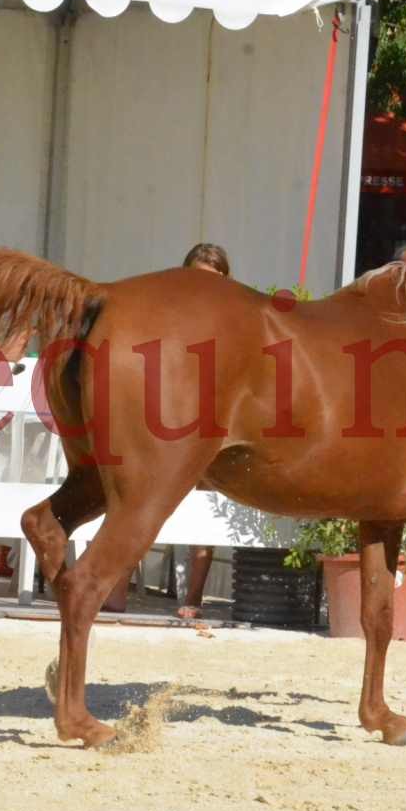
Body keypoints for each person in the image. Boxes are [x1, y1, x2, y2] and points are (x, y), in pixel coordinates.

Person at [171, 242, 232, 619]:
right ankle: (116, 589)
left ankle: (194, 596)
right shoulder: (170, 313)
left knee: (206, 507)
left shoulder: (232, 318)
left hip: (210, 420)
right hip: (172, 418)